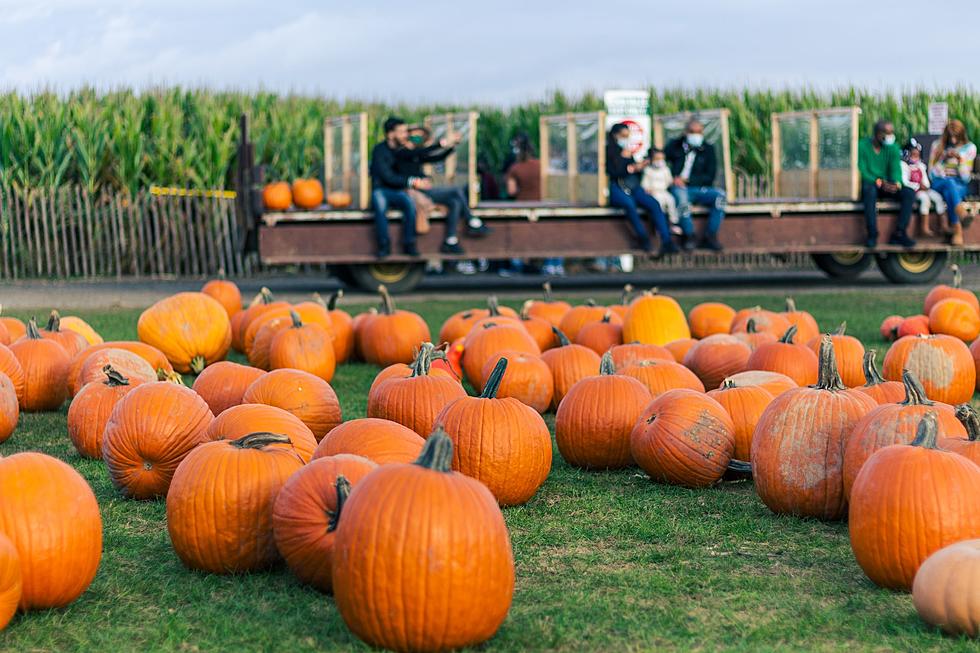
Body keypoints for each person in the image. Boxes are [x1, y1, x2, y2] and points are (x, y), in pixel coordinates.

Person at [394, 125, 491, 254]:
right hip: (416, 193)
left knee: (455, 202)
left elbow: (436, 157)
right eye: (415, 135)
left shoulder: (416, 154)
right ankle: (471, 220)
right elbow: (423, 153)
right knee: (456, 191)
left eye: (420, 135)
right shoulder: (402, 152)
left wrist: (452, 146)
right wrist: (441, 143)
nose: (417, 138)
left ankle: (450, 240)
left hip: (424, 189)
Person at [605, 123, 676, 257]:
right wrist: (626, 162)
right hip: (616, 188)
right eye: (623, 136)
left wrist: (639, 167)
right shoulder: (609, 151)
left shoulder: (627, 151)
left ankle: (667, 241)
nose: (625, 139)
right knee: (629, 205)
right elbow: (614, 172)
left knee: (653, 203)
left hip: (632, 186)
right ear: (615, 136)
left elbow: (632, 172)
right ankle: (643, 237)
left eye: (627, 136)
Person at [664, 119, 726, 251]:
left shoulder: (708, 149)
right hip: (679, 188)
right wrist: (672, 178)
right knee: (682, 200)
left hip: (698, 187)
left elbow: (710, 176)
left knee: (720, 196)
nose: (696, 135)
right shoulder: (675, 146)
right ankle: (689, 235)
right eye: (692, 132)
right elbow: (662, 160)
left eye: (699, 132)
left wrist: (688, 180)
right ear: (686, 132)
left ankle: (710, 235)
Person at [369, 117, 422, 258]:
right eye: (402, 131)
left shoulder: (402, 150)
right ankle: (384, 245)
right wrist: (411, 182)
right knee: (379, 204)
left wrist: (443, 145)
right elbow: (387, 176)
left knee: (410, 204)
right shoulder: (379, 151)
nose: (406, 134)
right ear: (390, 134)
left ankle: (409, 243)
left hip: (398, 190)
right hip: (381, 189)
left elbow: (422, 149)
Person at [858, 120, 916, 248]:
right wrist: (877, 181)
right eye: (887, 133)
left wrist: (896, 183)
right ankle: (872, 233)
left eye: (891, 133)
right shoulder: (862, 146)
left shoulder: (893, 148)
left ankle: (900, 233)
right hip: (871, 183)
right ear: (878, 134)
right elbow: (861, 169)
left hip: (886, 184)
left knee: (909, 194)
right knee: (869, 191)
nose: (890, 136)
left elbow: (895, 169)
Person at [929, 119, 976, 246]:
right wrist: (943, 160)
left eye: (956, 137)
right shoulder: (937, 146)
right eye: (950, 137)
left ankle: (957, 229)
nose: (953, 140)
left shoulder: (970, 148)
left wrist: (960, 161)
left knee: (950, 189)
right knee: (949, 183)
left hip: (959, 184)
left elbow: (966, 178)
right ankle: (960, 215)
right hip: (939, 182)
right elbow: (931, 175)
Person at [900, 138, 939, 237]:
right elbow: (904, 182)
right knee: (925, 199)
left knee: (938, 198)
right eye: (913, 155)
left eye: (917, 155)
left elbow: (926, 182)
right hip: (915, 191)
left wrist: (925, 186)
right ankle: (924, 228)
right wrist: (918, 186)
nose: (915, 157)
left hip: (924, 189)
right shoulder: (904, 166)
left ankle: (943, 225)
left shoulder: (921, 166)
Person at [641, 148, 681, 235]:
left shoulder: (666, 170)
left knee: (671, 201)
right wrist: (647, 189)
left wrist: (674, 182)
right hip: (654, 193)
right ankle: (659, 225)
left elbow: (669, 181)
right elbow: (644, 184)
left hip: (664, 192)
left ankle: (673, 223)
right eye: (657, 159)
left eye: (661, 159)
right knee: (659, 204)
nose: (660, 161)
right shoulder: (648, 170)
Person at [505, 133, 541, 201]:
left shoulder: (514, 169)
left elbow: (511, 191)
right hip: (541, 206)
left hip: (522, 206)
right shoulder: (541, 165)